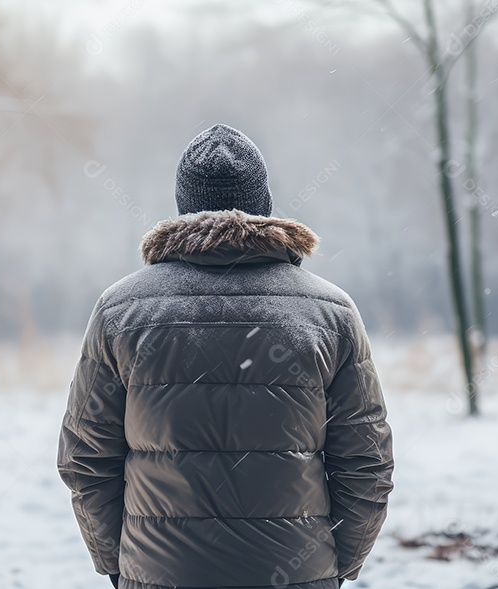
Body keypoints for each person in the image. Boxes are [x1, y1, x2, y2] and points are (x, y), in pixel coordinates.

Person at [57, 124, 395, 589]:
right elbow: (367, 462)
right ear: (263, 204)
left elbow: (85, 455)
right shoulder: (330, 313)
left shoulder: (121, 311)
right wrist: (336, 567)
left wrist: (119, 564)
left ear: (182, 206)